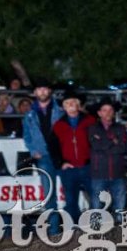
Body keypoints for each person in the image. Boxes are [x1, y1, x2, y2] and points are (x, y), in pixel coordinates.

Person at [21, 81, 63, 225]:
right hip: (44, 156)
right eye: (40, 89)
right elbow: (26, 135)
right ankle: (54, 230)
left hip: (63, 155)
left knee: (71, 191)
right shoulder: (29, 115)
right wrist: (34, 151)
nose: (43, 92)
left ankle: (73, 227)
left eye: (45, 88)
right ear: (35, 92)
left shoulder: (60, 110)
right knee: (49, 194)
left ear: (50, 91)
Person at [52, 92, 93, 223]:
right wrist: (61, 162)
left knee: (96, 198)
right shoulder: (58, 125)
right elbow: (53, 147)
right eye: (67, 103)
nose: (70, 105)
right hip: (69, 169)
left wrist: (93, 161)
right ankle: (73, 230)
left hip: (88, 166)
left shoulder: (90, 121)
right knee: (70, 201)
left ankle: (96, 228)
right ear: (63, 107)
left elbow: (96, 143)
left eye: (73, 102)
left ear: (79, 105)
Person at [86, 98, 127, 211]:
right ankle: (96, 226)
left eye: (110, 110)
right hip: (99, 173)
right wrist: (113, 141)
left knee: (119, 205)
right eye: (105, 110)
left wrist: (103, 141)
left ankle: (119, 227)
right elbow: (95, 146)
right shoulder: (92, 128)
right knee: (97, 204)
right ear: (99, 113)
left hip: (117, 172)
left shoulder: (120, 128)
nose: (108, 113)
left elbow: (122, 148)